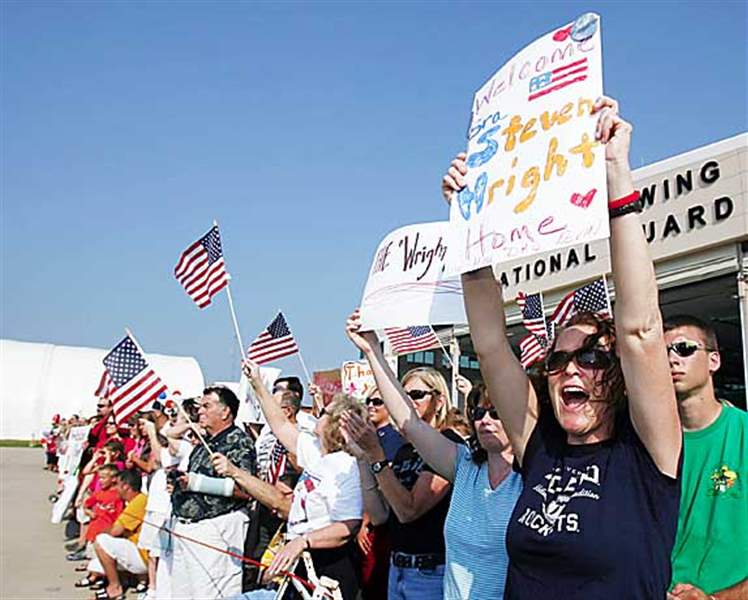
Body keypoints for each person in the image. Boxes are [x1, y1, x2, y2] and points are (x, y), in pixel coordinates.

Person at [442, 96, 682, 598]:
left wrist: (616, 171)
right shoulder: (541, 447)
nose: (571, 368)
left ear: (616, 378)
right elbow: (489, 343)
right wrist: (468, 223)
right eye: (557, 359)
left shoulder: (647, 456)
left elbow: (640, 332)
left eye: (591, 357)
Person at [345, 317, 522, 599]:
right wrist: (372, 351)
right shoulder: (465, 465)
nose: (485, 420)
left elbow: (409, 509)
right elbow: (409, 424)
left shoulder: (534, 472)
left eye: (496, 411)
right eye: (477, 413)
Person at [233, 358, 364, 599]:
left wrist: (303, 541)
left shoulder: (349, 466)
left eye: (324, 413)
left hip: (329, 565)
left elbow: (348, 526)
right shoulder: (315, 450)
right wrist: (257, 383)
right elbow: (280, 424)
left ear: (337, 424)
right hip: (301, 557)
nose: (316, 415)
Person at [340, 362, 460, 600]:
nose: (408, 402)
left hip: (431, 572)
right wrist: (363, 457)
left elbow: (409, 510)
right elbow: (380, 515)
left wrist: (376, 455)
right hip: (398, 568)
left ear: (440, 401)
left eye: (417, 395)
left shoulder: (449, 444)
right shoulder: (406, 450)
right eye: (403, 396)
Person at [664, 315, 748, 600]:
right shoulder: (645, 446)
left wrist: (715, 599)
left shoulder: (743, 434)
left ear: (714, 361)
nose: (672, 360)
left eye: (684, 349)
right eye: (663, 353)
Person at [169, 386, 257, 600]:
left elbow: (245, 489)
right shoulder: (203, 444)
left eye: (206, 406)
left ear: (225, 412)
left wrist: (197, 483)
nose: (200, 411)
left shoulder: (238, 441)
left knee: (212, 594)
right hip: (186, 528)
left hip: (217, 529)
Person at [356, 387, 405, 600]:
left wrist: (366, 518)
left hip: (382, 526)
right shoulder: (369, 436)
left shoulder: (393, 439)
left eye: (378, 401)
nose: (371, 406)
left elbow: (385, 486)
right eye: (368, 401)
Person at [87, 469, 149, 600]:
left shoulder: (139, 501)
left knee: (101, 541)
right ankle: (126, 579)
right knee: (94, 565)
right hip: (136, 550)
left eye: (117, 485)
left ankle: (115, 588)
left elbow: (115, 531)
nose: (115, 489)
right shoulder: (134, 501)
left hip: (143, 555)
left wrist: (104, 530)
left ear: (126, 486)